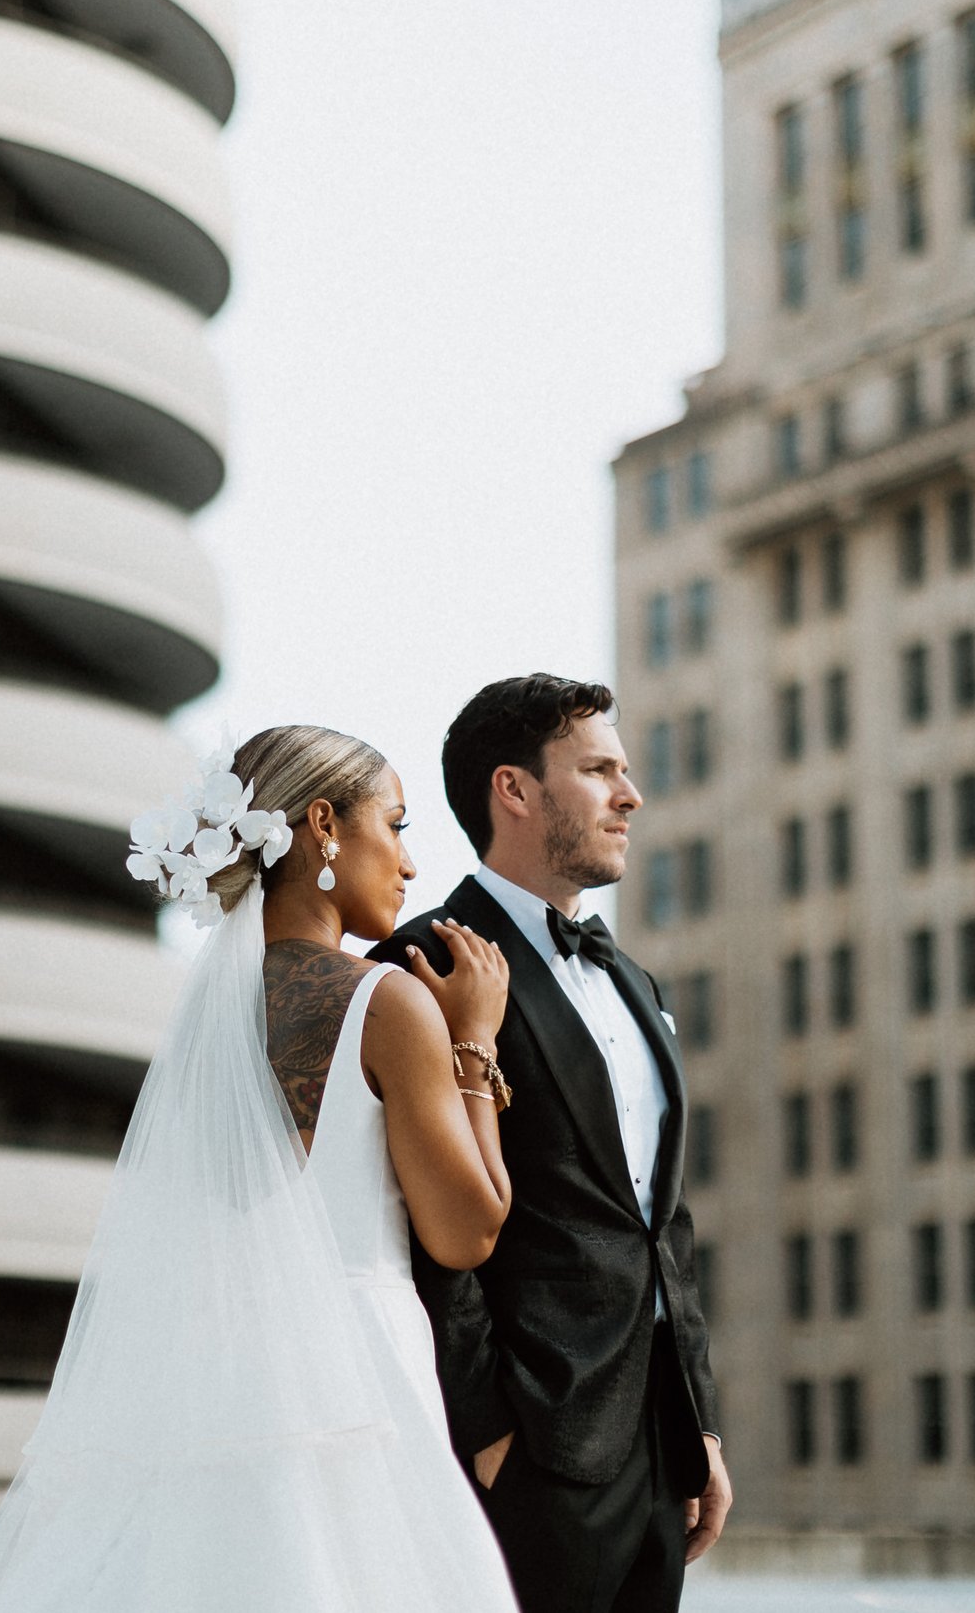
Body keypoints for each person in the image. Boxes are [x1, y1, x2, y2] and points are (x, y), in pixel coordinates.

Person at [0, 726, 522, 1612]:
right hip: (355, 1378)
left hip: (214, 1376)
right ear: (325, 824)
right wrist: (475, 1040)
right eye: (397, 825)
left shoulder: (206, 1019)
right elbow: (468, 1228)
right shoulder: (388, 1002)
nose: (410, 862)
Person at [373, 675, 732, 1613]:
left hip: (661, 1450)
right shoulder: (419, 968)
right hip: (528, 1453)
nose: (631, 794)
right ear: (516, 791)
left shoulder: (637, 982)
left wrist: (702, 1430)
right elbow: (411, 1225)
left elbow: (666, 1222)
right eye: (601, 769)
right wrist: (487, 1429)